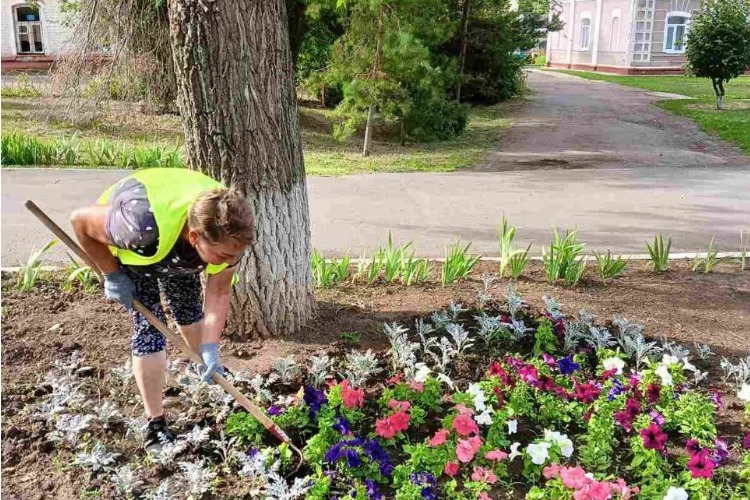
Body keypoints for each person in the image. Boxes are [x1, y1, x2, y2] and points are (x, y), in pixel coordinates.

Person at [71, 168, 254, 449]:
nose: (232, 260)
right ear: (195, 238)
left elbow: (219, 289)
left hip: (179, 247)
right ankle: (155, 423)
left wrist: (211, 347)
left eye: (236, 254)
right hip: (140, 252)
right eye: (225, 255)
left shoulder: (231, 227)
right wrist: (111, 273)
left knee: (190, 311)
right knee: (150, 330)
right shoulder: (136, 227)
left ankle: (204, 369)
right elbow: (80, 221)